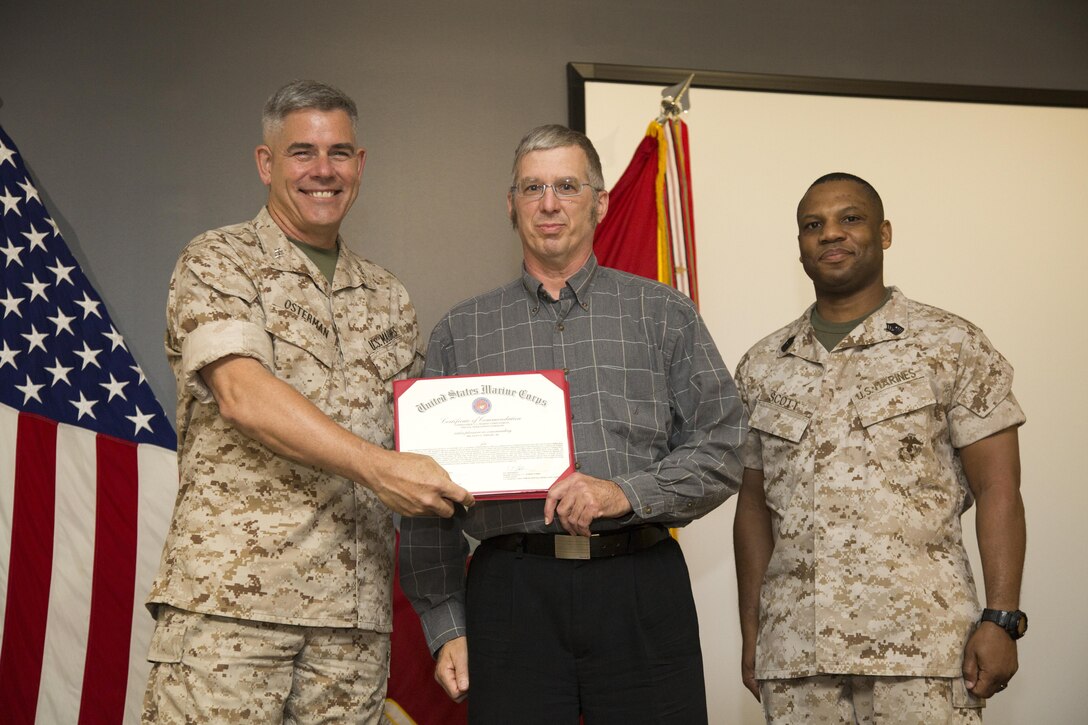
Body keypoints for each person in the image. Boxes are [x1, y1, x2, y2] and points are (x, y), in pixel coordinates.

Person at [143, 80, 473, 724]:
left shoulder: (388, 297)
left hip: (353, 625)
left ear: (361, 164)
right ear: (266, 163)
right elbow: (243, 396)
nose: (323, 170)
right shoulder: (218, 261)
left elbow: (419, 443)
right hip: (233, 612)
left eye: (340, 152)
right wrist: (379, 469)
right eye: (302, 152)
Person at [398, 124, 746, 724]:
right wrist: (446, 622)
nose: (550, 203)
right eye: (532, 188)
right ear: (511, 205)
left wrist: (623, 493)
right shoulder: (462, 331)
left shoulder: (664, 314)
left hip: (638, 586)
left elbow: (724, 446)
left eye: (567, 186)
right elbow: (426, 496)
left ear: (601, 202)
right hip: (512, 594)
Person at [733, 172, 1027, 723]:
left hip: (924, 651)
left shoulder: (951, 345)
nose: (830, 234)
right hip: (798, 656)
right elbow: (752, 507)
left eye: (851, 218)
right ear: (799, 245)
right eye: (812, 225)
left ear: (884, 233)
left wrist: (1002, 617)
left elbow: (999, 489)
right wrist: (754, 632)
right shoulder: (762, 366)